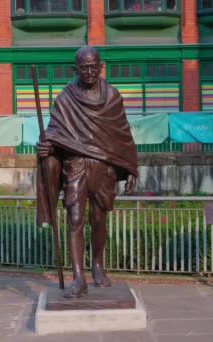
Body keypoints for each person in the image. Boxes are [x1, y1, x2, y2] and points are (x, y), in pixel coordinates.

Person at [37, 46, 137, 298]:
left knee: (99, 220)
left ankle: (98, 266)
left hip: (104, 167)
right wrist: (46, 147)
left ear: (101, 66)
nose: (90, 71)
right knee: (75, 219)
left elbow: (122, 134)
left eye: (94, 66)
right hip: (75, 165)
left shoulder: (113, 96)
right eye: (84, 67)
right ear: (76, 69)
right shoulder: (64, 99)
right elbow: (54, 133)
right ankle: (79, 277)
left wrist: (131, 167)